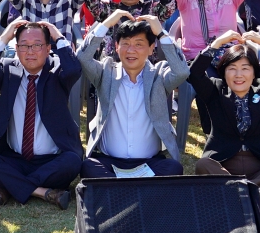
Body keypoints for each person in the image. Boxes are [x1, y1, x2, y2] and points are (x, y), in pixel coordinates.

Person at [189, 30, 260, 217]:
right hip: (224, 166)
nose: (238, 74)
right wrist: (217, 43)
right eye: (232, 68)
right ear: (224, 72)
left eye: (245, 68)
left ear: (254, 72)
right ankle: (256, 199)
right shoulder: (215, 90)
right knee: (203, 165)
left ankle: (236, 196)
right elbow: (194, 74)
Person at [0, 20, 83, 207]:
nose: (30, 51)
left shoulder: (57, 70)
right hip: (15, 159)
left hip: (51, 161)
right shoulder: (9, 70)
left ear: (49, 48)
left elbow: (75, 69)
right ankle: (43, 192)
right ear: (16, 48)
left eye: (37, 45)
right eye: (24, 46)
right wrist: (4, 37)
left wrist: (57, 35)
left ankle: (10, 186)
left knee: (73, 162)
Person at [78, 14, 189, 179]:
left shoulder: (159, 75)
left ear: (152, 48)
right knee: (88, 168)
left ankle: (118, 190)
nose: (131, 50)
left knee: (172, 168)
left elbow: (182, 71)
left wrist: (161, 33)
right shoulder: (105, 72)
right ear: (116, 46)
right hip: (109, 161)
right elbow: (82, 56)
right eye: (125, 44)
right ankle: (138, 190)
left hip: (149, 162)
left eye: (139, 44)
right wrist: (107, 22)